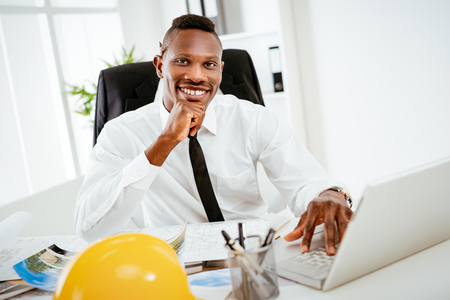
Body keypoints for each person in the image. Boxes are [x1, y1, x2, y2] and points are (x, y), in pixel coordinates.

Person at [75, 14, 353, 255]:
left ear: (220, 70)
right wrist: (164, 142)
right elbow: (89, 228)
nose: (197, 76)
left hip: (257, 255)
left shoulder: (252, 118)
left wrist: (331, 194)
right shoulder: (121, 132)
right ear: (160, 66)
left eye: (209, 64)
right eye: (183, 61)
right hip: (178, 266)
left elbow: (307, 182)